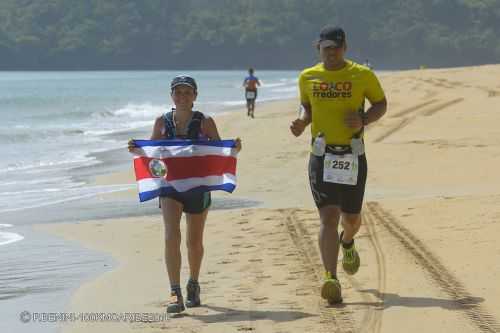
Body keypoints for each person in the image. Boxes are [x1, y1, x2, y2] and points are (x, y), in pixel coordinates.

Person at [290, 26, 387, 304]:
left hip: (352, 156)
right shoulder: (308, 76)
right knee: (328, 217)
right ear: (317, 48)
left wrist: (364, 120)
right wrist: (301, 121)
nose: (331, 53)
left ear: (344, 47)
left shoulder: (362, 75)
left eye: (335, 47)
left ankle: (348, 241)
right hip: (321, 156)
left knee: (351, 219)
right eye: (325, 48)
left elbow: (381, 103)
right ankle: (331, 278)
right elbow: (306, 107)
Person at [129, 75, 241, 314]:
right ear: (172, 96)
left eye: (187, 92)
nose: (182, 97)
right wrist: (136, 149)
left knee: (194, 241)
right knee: (171, 235)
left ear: (195, 96)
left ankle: (193, 283)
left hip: (198, 188)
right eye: (178, 92)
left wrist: (233, 150)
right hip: (169, 186)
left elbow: (218, 152)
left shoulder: (205, 121)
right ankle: (174, 291)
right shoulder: (162, 121)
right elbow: (151, 152)